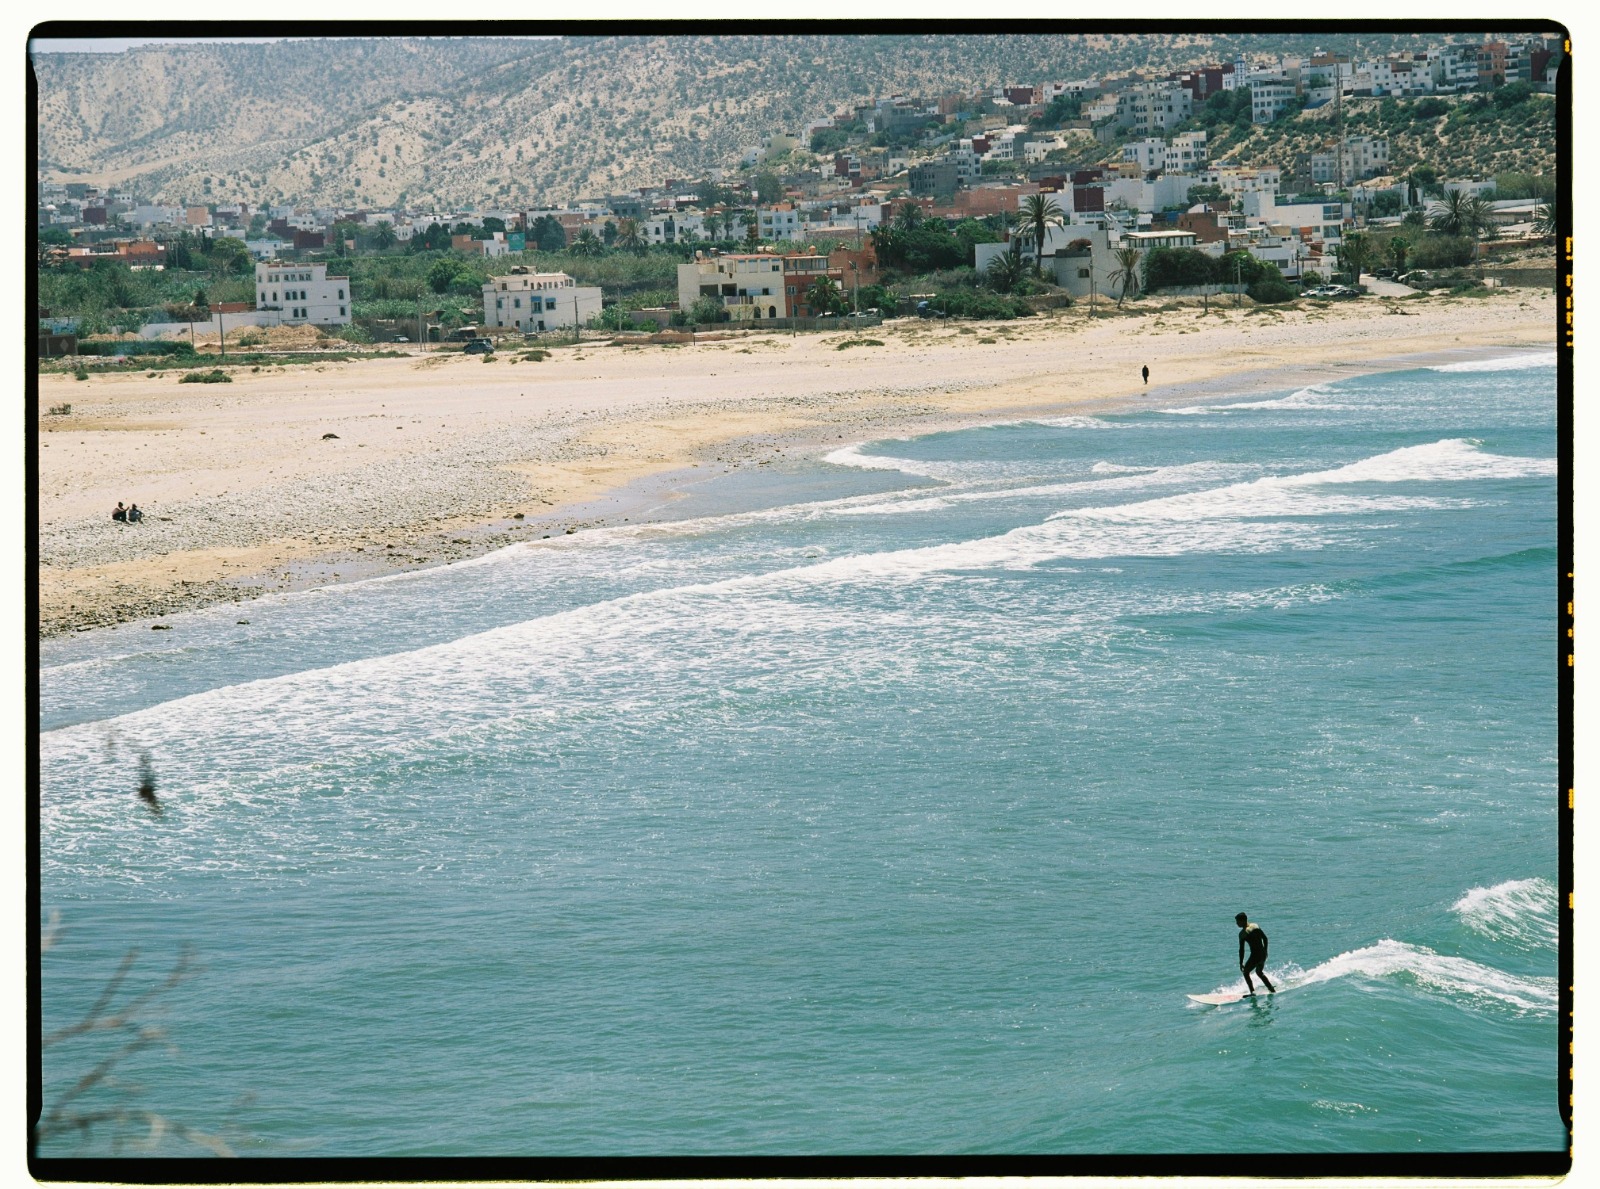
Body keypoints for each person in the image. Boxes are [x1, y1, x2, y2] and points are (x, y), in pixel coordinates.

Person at [1236, 912, 1275, 994]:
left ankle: (1252, 992)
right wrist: (1265, 950)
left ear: (1243, 921)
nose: (1237, 924)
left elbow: (1241, 950)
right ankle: (1271, 989)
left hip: (1255, 956)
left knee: (1246, 972)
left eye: (1238, 921)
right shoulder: (1255, 926)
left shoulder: (1242, 934)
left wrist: (1241, 962)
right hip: (1262, 954)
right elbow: (1265, 938)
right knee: (1259, 972)